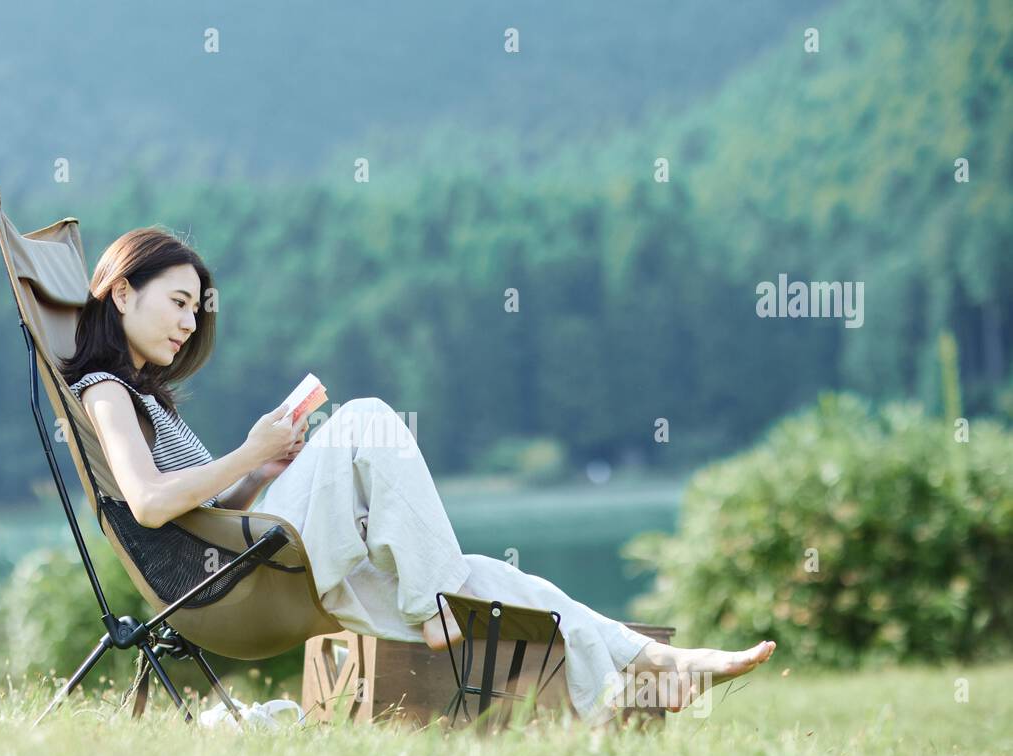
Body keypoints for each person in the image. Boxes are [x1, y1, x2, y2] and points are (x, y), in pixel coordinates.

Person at [63, 227, 775, 728]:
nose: (190, 321)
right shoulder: (106, 390)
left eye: (196, 306)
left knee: (489, 579)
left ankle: (656, 663)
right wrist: (251, 453)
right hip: (226, 584)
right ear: (122, 293)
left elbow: (208, 505)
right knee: (369, 417)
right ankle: (439, 601)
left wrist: (261, 471)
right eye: (177, 301)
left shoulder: (147, 396)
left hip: (250, 554)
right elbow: (153, 504)